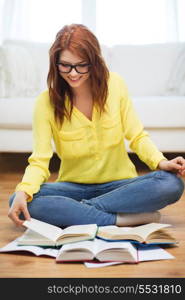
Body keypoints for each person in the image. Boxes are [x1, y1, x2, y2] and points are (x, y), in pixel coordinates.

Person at [8, 24, 185, 228]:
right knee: (17, 199)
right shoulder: (45, 102)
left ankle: (79, 212)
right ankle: (116, 219)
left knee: (171, 183)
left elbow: (136, 136)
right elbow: (40, 161)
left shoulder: (115, 85)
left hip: (120, 186)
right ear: (55, 64)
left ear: (94, 62)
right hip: (73, 187)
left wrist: (161, 162)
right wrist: (24, 191)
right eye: (65, 65)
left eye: (81, 65)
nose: (73, 73)